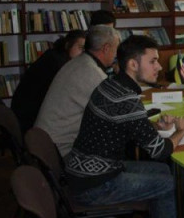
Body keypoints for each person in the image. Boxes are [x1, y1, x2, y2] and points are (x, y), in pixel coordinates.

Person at [65, 35, 184, 218]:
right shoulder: (126, 99)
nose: (159, 67)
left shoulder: (111, 84)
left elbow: (123, 126)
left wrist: (155, 126)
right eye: (153, 61)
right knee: (168, 183)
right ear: (133, 64)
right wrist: (180, 132)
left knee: (162, 171)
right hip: (94, 185)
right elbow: (160, 151)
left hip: (84, 172)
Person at [34, 25, 120, 157]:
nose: (116, 55)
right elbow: (116, 115)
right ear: (106, 48)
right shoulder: (93, 73)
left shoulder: (79, 62)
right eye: (116, 49)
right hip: (62, 151)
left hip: (45, 143)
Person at [11, 30, 86, 134]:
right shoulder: (59, 62)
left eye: (85, 49)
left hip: (24, 111)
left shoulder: (55, 54)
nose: (83, 53)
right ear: (68, 45)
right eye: (80, 48)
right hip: (30, 118)